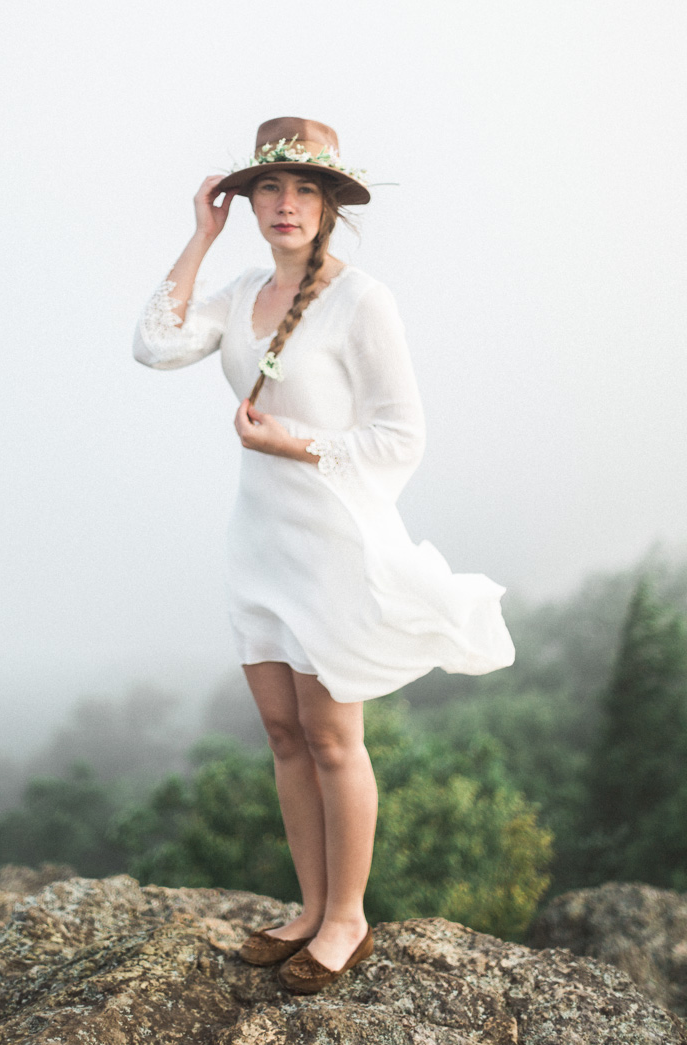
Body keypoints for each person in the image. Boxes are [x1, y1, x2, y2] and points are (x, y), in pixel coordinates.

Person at [133, 117, 515, 994]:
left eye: (305, 188)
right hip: (259, 542)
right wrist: (200, 235)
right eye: (270, 187)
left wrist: (293, 444)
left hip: (336, 544)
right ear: (250, 200)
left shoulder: (361, 300)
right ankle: (308, 907)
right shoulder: (238, 289)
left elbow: (400, 438)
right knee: (282, 733)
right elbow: (155, 344)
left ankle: (348, 917)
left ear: (332, 203)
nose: (286, 204)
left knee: (335, 738)